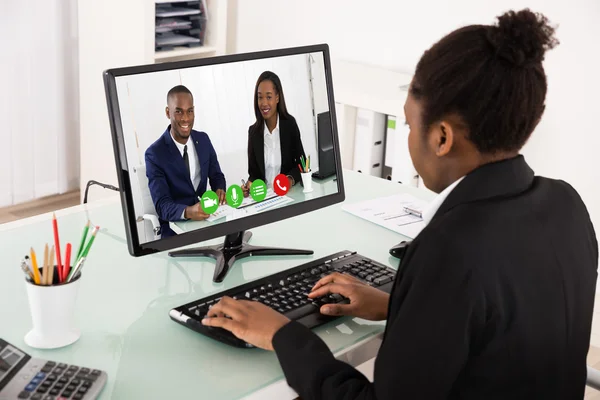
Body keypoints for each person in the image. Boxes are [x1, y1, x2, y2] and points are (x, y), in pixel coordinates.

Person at [201, 9, 599, 399]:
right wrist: (401, 307)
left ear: (442, 138)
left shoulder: (449, 251)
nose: (409, 136)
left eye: (409, 124)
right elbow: (501, 328)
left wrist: (283, 333)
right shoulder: (567, 204)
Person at [145, 85, 226, 238]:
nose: (186, 118)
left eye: (190, 111)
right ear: (168, 112)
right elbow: (162, 206)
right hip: (176, 229)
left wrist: (220, 190)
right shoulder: (155, 154)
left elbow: (216, 176)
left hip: (207, 220)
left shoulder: (203, 139)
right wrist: (189, 212)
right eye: (179, 111)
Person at [242, 71, 306, 196]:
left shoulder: (289, 125)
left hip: (287, 196)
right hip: (264, 199)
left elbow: (301, 165)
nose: (264, 103)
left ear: (277, 97)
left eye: (269, 97)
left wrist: (289, 180)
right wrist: (248, 186)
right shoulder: (253, 132)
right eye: (260, 97)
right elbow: (254, 175)